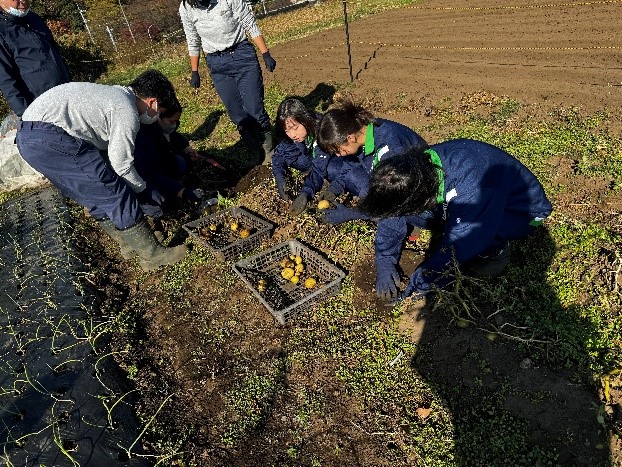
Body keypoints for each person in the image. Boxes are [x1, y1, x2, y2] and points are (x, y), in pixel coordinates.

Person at [15, 69, 187, 271]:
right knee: (113, 192)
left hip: (28, 137)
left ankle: (130, 243)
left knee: (93, 193)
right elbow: (122, 165)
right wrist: (144, 189)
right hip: (51, 136)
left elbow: (110, 157)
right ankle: (153, 255)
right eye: (159, 111)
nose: (155, 117)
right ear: (152, 103)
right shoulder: (126, 110)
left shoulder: (115, 95)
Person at [358, 139, 553, 302]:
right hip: (480, 194)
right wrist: (384, 259)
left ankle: (497, 251)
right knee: (418, 214)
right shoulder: (415, 166)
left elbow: (460, 243)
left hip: (520, 211)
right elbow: (392, 211)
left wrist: (426, 278)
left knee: (476, 237)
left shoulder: (472, 190)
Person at [179, 0, 276, 164]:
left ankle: (268, 149)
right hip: (216, 63)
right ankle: (255, 150)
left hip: (241, 55)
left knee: (254, 107)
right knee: (237, 113)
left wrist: (265, 53)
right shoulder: (186, 8)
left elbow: (249, 23)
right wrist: (195, 71)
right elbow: (193, 39)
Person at [315, 99, 428, 224]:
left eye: (338, 150)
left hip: (424, 202)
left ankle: (411, 222)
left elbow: (390, 200)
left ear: (350, 138)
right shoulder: (363, 132)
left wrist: (351, 213)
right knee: (355, 176)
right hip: (397, 186)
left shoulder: (391, 147)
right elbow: (349, 165)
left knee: (389, 216)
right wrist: (334, 189)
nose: (338, 155)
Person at [271, 97, 343, 214]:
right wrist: (279, 176)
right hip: (311, 157)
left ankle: (324, 180)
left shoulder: (322, 129)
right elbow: (279, 154)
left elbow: (320, 165)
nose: (292, 134)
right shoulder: (291, 136)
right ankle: (314, 176)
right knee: (290, 156)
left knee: (333, 168)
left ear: (305, 120)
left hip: (329, 158)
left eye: (295, 128)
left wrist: (306, 192)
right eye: (287, 131)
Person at [0, 0, 70, 117]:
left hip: (67, 92)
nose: (23, 1)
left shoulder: (34, 18)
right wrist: (27, 115)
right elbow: (6, 79)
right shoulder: (2, 31)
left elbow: (55, 53)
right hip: (42, 106)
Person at [133, 99, 205, 211]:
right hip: (141, 176)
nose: (174, 125)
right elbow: (153, 171)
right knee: (163, 203)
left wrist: (185, 148)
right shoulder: (145, 138)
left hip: (157, 165)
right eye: (172, 121)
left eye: (176, 121)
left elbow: (173, 135)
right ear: (159, 117)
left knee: (180, 163)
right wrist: (181, 191)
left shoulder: (161, 127)